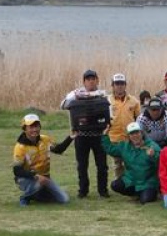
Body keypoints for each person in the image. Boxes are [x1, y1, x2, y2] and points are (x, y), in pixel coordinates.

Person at [60, 69, 110, 198]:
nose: (91, 81)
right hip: (81, 135)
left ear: (97, 80)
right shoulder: (76, 93)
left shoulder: (103, 94)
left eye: (93, 78)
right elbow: (63, 105)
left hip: (99, 135)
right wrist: (77, 99)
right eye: (88, 79)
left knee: (102, 165)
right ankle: (83, 191)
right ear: (84, 82)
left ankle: (103, 191)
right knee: (82, 165)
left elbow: (110, 111)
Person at [13, 114, 73, 206]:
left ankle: (37, 194)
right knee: (38, 186)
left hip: (45, 177)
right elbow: (17, 170)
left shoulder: (45, 139)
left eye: (36, 126)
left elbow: (58, 149)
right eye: (31, 127)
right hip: (26, 178)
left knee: (64, 199)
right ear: (24, 129)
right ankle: (25, 197)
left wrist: (71, 137)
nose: (35, 129)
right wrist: (36, 176)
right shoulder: (20, 147)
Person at [102, 122, 161, 204]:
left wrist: (153, 156)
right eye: (132, 133)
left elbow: (161, 163)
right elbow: (111, 149)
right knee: (115, 185)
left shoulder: (152, 146)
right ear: (128, 136)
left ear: (141, 133)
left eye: (137, 132)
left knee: (145, 200)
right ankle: (137, 194)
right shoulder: (124, 146)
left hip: (147, 182)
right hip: (131, 180)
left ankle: (148, 193)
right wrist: (105, 136)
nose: (135, 135)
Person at [107, 73, 141, 180]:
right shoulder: (107, 101)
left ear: (125, 85)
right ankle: (120, 184)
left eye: (122, 83)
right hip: (114, 138)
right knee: (117, 164)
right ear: (112, 85)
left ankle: (131, 181)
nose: (119, 86)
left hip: (129, 138)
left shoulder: (134, 101)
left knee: (130, 162)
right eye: (117, 84)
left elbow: (138, 119)